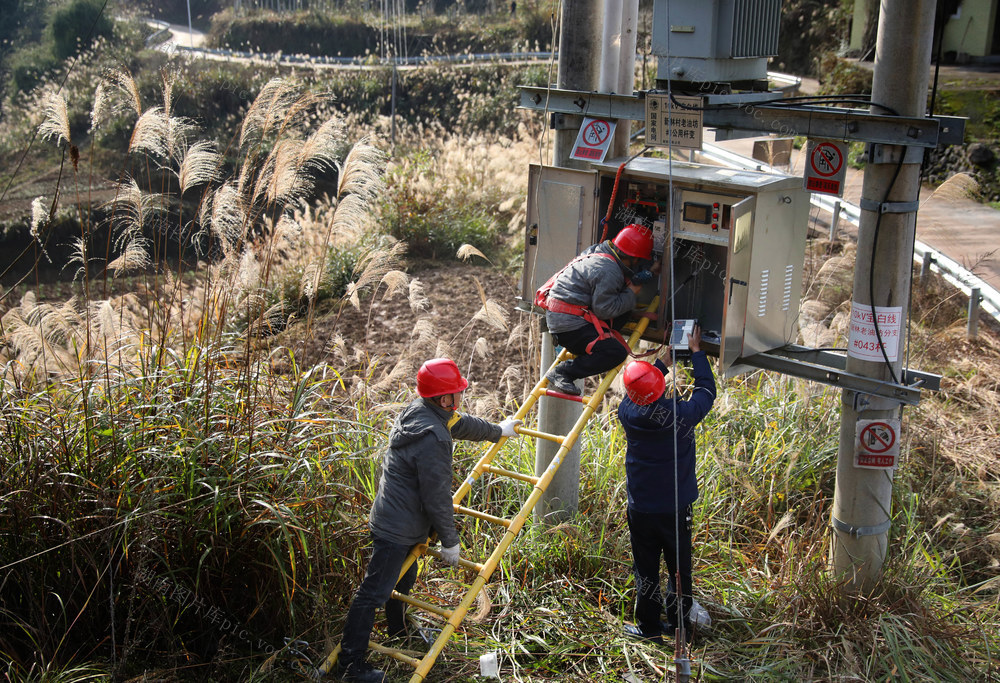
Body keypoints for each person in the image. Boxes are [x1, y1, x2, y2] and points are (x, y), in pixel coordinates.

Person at [335, 358, 522, 682]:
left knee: (403, 580)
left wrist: (496, 431)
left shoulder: (422, 412)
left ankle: (398, 628)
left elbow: (460, 424)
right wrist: (450, 541)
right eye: (455, 394)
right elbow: (436, 497)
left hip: (401, 520)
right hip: (397, 528)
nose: (459, 399)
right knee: (374, 592)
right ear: (443, 398)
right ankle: (350, 664)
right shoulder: (432, 437)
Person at [616, 324, 716, 644]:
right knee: (678, 573)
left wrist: (663, 363)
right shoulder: (680, 415)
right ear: (660, 388)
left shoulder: (627, 411)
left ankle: (648, 629)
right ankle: (679, 629)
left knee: (645, 570)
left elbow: (640, 390)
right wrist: (697, 352)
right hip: (674, 509)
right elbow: (706, 391)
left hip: (641, 508)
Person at [537, 223, 655, 396]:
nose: (637, 264)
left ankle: (593, 343)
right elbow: (605, 310)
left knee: (623, 310)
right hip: (569, 327)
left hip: (562, 317)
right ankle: (564, 372)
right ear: (633, 257)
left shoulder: (597, 252)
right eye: (638, 260)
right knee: (615, 353)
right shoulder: (609, 270)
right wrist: (631, 292)